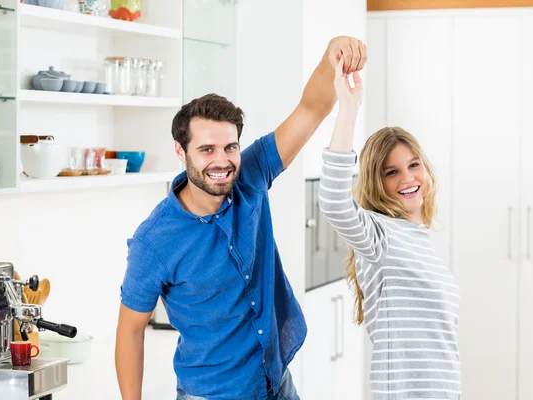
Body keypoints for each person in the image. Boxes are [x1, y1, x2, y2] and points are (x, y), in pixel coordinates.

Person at [115, 36, 367, 400]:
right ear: (180, 151)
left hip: (277, 386)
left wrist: (333, 55)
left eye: (230, 147)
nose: (222, 160)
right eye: (206, 149)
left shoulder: (251, 174)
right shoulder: (154, 241)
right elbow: (130, 330)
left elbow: (311, 109)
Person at [318, 57, 461, 399]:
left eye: (413, 165)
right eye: (391, 171)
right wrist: (348, 109)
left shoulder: (418, 240)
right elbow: (335, 202)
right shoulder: (381, 236)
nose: (408, 178)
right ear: (376, 181)